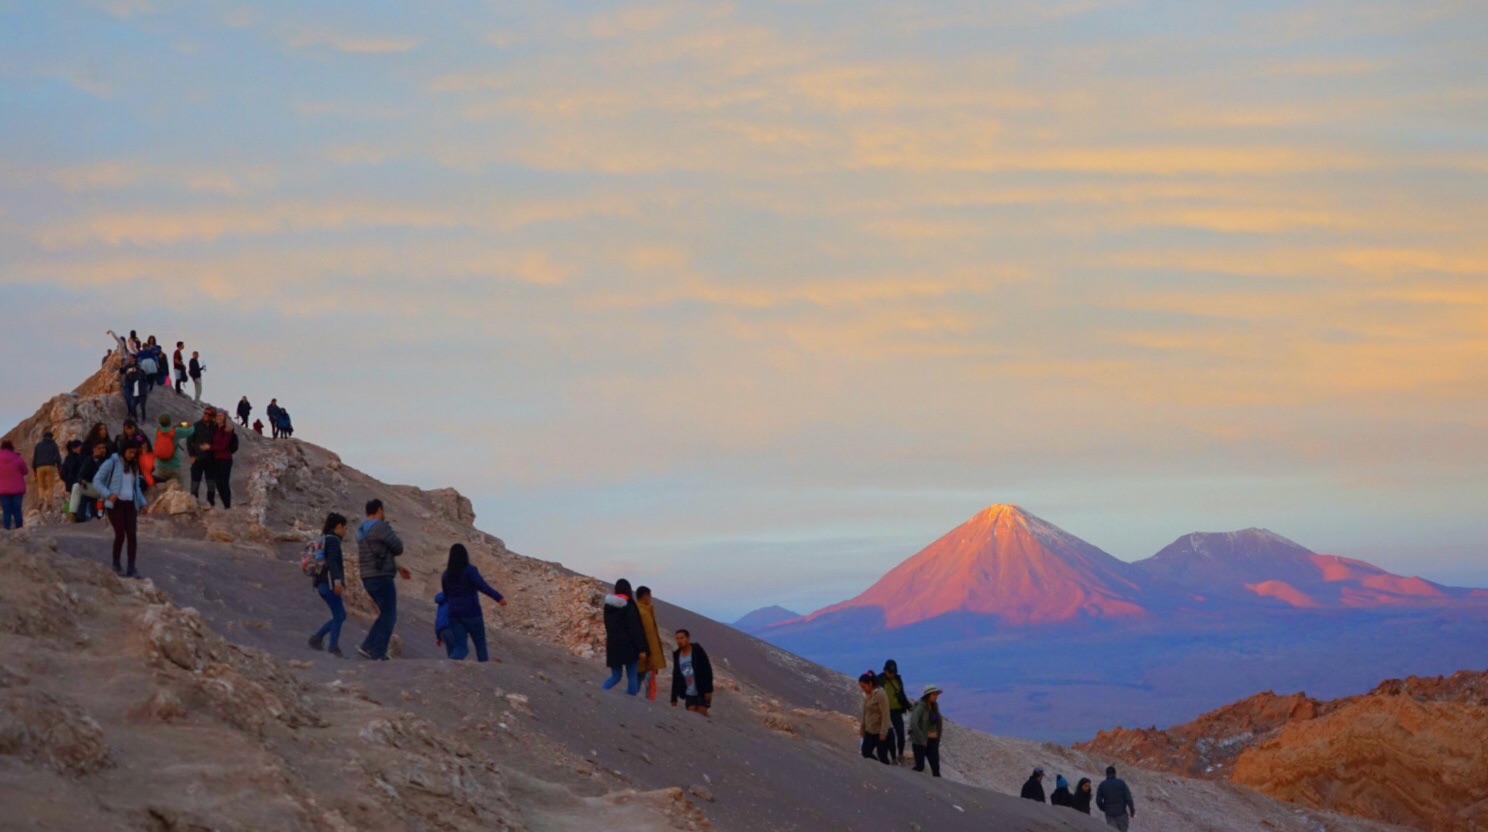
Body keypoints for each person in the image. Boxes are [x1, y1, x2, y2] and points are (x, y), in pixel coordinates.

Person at [356, 499, 408, 661]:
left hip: (367, 576)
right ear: (379, 510)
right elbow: (398, 547)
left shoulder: (361, 530)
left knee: (385, 613)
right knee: (390, 614)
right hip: (381, 576)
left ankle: (367, 646)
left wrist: (396, 565)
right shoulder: (380, 526)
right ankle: (377, 651)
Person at [439, 543, 508, 662]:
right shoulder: (470, 571)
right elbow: (482, 586)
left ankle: (449, 668)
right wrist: (499, 598)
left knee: (460, 647)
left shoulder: (446, 575)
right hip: (472, 613)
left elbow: (446, 595)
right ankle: (484, 673)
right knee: (480, 645)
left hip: (454, 615)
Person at [93, 443, 148, 576]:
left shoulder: (133, 466)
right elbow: (97, 480)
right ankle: (116, 564)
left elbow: (136, 487)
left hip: (130, 504)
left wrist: (142, 502)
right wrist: (108, 494)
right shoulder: (111, 463)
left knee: (132, 535)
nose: (132, 455)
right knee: (120, 534)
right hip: (115, 504)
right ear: (123, 451)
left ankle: (131, 567)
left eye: (134, 453)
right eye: (130, 452)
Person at [308, 512, 349, 657]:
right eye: (345, 527)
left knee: (340, 615)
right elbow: (332, 562)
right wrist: (337, 581)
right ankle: (333, 647)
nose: (346, 531)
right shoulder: (333, 541)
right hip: (329, 583)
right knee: (339, 615)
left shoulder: (324, 539)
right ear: (338, 526)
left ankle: (317, 638)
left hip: (320, 584)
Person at [601, 578, 648, 695]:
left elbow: (608, 626)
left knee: (616, 676)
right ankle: (631, 703)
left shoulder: (608, 606)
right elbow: (635, 629)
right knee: (632, 676)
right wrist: (642, 648)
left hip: (613, 646)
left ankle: (600, 693)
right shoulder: (629, 606)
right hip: (629, 647)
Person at [670, 628, 714, 716]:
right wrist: (673, 698)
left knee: (702, 717)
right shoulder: (677, 655)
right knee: (692, 718)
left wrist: (709, 690)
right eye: (677, 638)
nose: (679, 641)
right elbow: (676, 676)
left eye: (682, 638)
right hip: (689, 693)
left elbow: (707, 669)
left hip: (701, 690)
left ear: (688, 639)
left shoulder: (697, 650)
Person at [635, 585, 667, 700]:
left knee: (640, 679)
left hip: (644, 654)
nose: (651, 598)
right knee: (647, 682)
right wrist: (649, 654)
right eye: (650, 595)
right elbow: (648, 636)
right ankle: (647, 705)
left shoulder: (644, 611)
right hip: (645, 655)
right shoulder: (642, 613)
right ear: (646, 596)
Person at [68, 441, 109, 521]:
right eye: (99, 448)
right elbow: (81, 475)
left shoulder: (107, 461)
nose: (102, 450)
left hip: (105, 487)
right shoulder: (89, 460)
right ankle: (74, 514)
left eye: (103, 448)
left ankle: (93, 516)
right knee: (77, 486)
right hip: (92, 487)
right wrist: (82, 481)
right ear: (94, 449)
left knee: (88, 496)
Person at [880, 659, 911, 765]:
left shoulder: (897, 680)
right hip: (885, 711)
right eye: (890, 672)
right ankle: (893, 758)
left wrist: (908, 706)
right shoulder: (880, 680)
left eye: (893, 672)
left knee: (901, 734)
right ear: (885, 670)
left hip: (897, 711)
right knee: (890, 735)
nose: (892, 674)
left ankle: (900, 754)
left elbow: (902, 695)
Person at [908, 684, 943, 777]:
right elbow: (914, 723)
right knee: (920, 767)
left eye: (936, 695)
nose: (936, 697)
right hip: (920, 742)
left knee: (935, 767)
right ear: (928, 695)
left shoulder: (935, 706)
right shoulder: (920, 707)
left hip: (933, 741)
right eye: (934, 695)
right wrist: (921, 739)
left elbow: (938, 723)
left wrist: (938, 737)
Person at [858, 671, 892, 764]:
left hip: (879, 731)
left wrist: (883, 732)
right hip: (869, 730)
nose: (862, 689)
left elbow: (885, 714)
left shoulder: (880, 694)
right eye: (861, 687)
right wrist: (862, 728)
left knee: (882, 756)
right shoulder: (865, 696)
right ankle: (877, 767)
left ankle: (888, 772)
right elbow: (865, 713)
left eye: (864, 686)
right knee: (865, 753)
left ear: (870, 684)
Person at [189, 407, 218, 505]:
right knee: (195, 482)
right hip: (198, 458)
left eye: (209, 414)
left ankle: (210, 504)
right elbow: (190, 441)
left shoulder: (215, 427)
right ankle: (194, 503)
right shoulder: (196, 426)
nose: (206, 415)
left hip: (211, 459)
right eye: (205, 413)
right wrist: (192, 455)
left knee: (211, 483)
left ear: (213, 416)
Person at [209, 411, 238, 509]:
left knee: (224, 482)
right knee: (218, 483)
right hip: (216, 459)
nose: (219, 417)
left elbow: (223, 445)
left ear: (224, 418)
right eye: (217, 415)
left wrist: (210, 447)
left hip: (225, 459)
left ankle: (227, 506)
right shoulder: (214, 429)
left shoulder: (227, 430)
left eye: (221, 416)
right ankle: (226, 505)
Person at [151, 414, 189, 485]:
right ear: (170, 421)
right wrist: (181, 424)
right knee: (175, 489)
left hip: (160, 467)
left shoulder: (156, 431)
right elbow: (190, 429)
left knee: (162, 489)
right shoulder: (176, 431)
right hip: (174, 467)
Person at [30, 431, 62, 514]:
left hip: (39, 467)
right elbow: (58, 457)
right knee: (50, 486)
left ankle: (41, 499)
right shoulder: (54, 445)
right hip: (50, 466)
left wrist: (34, 470)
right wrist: (59, 468)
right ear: (52, 437)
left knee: (41, 485)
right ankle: (49, 503)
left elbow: (35, 458)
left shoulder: (38, 445)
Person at [1096, 766, 1136, 830]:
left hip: (1110, 815)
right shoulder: (1121, 783)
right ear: (1115, 773)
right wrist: (1132, 811)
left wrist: (1105, 809)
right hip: (1122, 814)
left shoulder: (1102, 785)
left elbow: (1098, 801)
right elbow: (1129, 798)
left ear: (1106, 774)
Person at [0, 440, 28, 530]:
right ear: (12, 447)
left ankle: (6, 530)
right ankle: (20, 530)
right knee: (17, 510)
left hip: (3, 489)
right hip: (17, 489)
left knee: (6, 511)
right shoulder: (18, 458)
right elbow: (25, 471)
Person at [60, 439, 85, 519]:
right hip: (75, 482)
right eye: (80, 448)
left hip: (71, 483)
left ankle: (77, 517)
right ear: (74, 448)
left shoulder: (68, 458)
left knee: (75, 499)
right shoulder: (75, 458)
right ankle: (78, 517)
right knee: (79, 500)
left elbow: (63, 474)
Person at [119, 355, 141, 420]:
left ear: (134, 359)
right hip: (127, 383)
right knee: (128, 398)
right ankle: (130, 412)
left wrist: (129, 370)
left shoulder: (137, 365)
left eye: (130, 358)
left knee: (133, 400)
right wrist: (121, 365)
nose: (129, 359)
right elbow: (121, 372)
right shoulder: (126, 366)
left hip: (135, 383)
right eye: (129, 358)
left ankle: (134, 415)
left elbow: (136, 369)